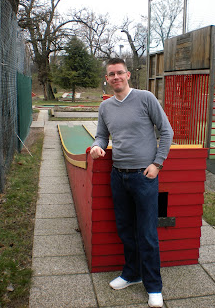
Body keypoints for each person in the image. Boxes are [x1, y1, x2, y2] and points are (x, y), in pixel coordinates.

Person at [90, 58, 173, 308]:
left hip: (144, 176)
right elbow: (102, 135)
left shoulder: (145, 98)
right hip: (118, 175)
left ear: (127, 75)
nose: (115, 77)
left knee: (147, 233)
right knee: (126, 230)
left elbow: (166, 131)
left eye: (119, 73)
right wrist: (97, 146)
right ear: (107, 79)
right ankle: (131, 274)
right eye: (110, 74)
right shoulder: (106, 107)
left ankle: (154, 287)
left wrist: (157, 164)